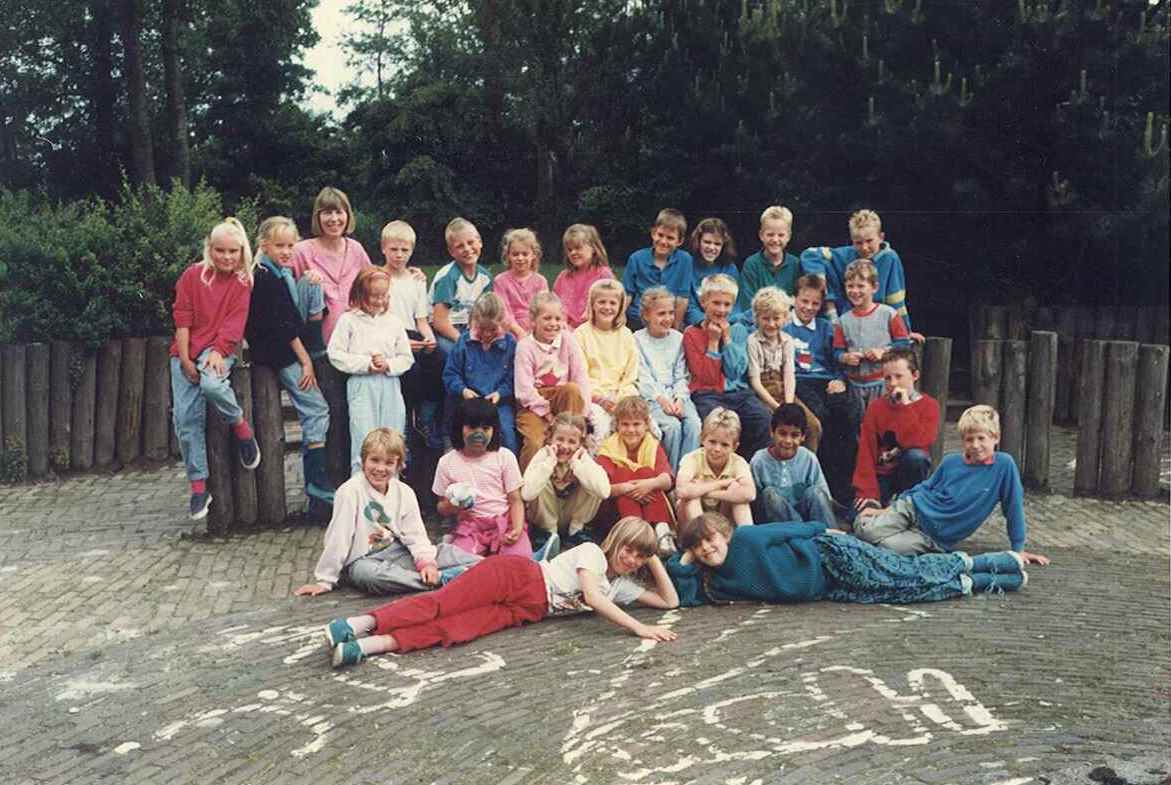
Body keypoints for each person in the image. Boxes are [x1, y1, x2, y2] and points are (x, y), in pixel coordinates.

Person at [323, 517, 679, 667]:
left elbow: (669, 601)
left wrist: (655, 558)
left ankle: (368, 646)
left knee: (456, 630)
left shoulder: (618, 586)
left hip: (526, 611)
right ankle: (361, 623)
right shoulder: (592, 555)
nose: (632, 559)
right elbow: (592, 598)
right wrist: (639, 628)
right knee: (442, 603)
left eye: (639, 555)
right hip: (518, 577)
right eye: (629, 550)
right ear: (615, 541)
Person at [667, 513, 1033, 608]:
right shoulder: (711, 579)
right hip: (827, 588)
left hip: (829, 556)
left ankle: (991, 561)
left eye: (709, 540)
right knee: (900, 592)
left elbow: (794, 529)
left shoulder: (746, 538)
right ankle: (991, 580)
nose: (707, 550)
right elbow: (679, 585)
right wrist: (685, 553)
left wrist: (828, 532)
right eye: (698, 548)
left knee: (901, 572)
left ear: (724, 533)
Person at [855, 405, 1051, 567]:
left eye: (981, 438)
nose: (975, 445)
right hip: (913, 508)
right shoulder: (951, 462)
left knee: (887, 547)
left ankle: (877, 526)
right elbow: (925, 488)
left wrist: (1018, 549)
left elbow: (1013, 507)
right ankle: (866, 513)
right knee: (866, 531)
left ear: (996, 438)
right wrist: (887, 510)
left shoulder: (1004, 466)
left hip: (931, 538)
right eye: (969, 439)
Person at [293, 428, 480, 597]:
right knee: (369, 576)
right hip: (364, 559)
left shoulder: (404, 492)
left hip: (400, 552)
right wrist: (325, 580)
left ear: (398, 466)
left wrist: (427, 563)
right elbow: (339, 538)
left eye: (389, 463)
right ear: (363, 459)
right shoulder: (349, 491)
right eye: (374, 460)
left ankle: (493, 568)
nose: (380, 469)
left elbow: (415, 535)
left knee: (449, 554)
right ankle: (440, 580)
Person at [170, 217, 260, 520]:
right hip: (187, 349)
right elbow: (182, 319)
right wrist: (184, 359)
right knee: (185, 419)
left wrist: (220, 351)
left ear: (242, 251)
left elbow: (235, 323)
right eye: (220, 250)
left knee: (212, 384)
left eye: (233, 251)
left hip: (219, 348)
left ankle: (241, 428)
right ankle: (198, 486)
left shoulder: (241, 282)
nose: (227, 257)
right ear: (210, 248)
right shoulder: (192, 276)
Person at [245, 216, 334, 519]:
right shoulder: (265, 278)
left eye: (290, 245)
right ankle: (318, 489)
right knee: (317, 410)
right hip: (280, 351)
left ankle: (316, 343)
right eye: (279, 245)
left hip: (290, 340)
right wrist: (305, 360)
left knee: (312, 280)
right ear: (264, 245)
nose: (286, 251)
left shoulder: (278, 271)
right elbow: (283, 327)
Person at [784, 274, 864, 500]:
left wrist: (839, 377)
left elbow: (837, 357)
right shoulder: (785, 325)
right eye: (804, 301)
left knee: (847, 416)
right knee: (820, 417)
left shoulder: (825, 328)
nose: (809, 308)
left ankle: (845, 489)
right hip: (798, 380)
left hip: (826, 380)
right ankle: (822, 485)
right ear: (794, 299)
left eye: (815, 304)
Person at [327, 267, 414, 474]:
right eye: (373, 296)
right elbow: (336, 354)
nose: (379, 301)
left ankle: (392, 492)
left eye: (383, 296)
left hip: (390, 385)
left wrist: (388, 365)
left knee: (393, 438)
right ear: (360, 294)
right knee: (363, 439)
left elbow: (406, 357)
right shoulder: (348, 320)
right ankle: (361, 496)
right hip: (361, 385)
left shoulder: (393, 322)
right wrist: (366, 364)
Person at [682, 273, 772, 459]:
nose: (721, 309)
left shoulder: (738, 330)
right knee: (716, 423)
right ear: (703, 302)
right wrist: (713, 343)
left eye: (727, 304)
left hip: (738, 393)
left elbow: (734, 371)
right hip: (707, 394)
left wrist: (727, 339)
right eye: (716, 303)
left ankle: (749, 470)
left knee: (762, 417)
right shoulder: (692, 334)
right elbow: (707, 378)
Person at [799, 208, 923, 341]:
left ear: (881, 237)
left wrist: (905, 330)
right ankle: (832, 321)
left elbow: (896, 299)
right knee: (826, 266)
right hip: (847, 317)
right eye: (858, 243)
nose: (864, 247)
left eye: (869, 241)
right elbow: (810, 254)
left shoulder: (890, 258)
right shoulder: (847, 254)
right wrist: (820, 280)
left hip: (876, 321)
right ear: (852, 241)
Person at [378, 220, 444, 450]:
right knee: (410, 372)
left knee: (440, 358)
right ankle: (405, 430)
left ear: (412, 251)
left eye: (404, 250)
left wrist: (429, 339)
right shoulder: (378, 279)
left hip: (413, 332)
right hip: (389, 338)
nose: (399, 255)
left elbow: (422, 320)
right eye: (393, 249)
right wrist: (402, 343)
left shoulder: (416, 280)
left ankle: (427, 418)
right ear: (383, 248)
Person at [435, 398, 531, 557]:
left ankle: (532, 554)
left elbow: (515, 499)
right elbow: (441, 507)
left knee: (518, 560)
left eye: (486, 428)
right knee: (459, 562)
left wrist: (517, 529)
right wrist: (454, 506)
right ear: (459, 428)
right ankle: (454, 543)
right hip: (471, 527)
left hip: (503, 523)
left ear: (494, 430)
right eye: (472, 427)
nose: (478, 434)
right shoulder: (447, 462)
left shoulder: (504, 457)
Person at [853, 347, 940, 513]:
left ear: (914, 376)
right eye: (887, 378)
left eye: (899, 377)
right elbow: (866, 449)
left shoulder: (930, 406)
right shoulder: (876, 407)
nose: (892, 384)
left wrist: (905, 406)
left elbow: (917, 442)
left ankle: (909, 504)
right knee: (861, 514)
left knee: (917, 457)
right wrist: (867, 492)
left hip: (908, 472)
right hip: (882, 473)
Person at [514, 291, 591, 470]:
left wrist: (584, 416)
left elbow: (581, 377)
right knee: (535, 441)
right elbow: (524, 390)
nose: (553, 324)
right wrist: (547, 414)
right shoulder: (525, 347)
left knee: (572, 389)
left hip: (563, 398)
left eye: (558, 319)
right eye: (547, 318)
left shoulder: (568, 340)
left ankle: (571, 471)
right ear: (533, 320)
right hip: (533, 405)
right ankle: (527, 487)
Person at [291, 186, 373, 344]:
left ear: (348, 216)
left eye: (339, 212)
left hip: (355, 341)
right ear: (318, 217)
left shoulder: (356, 249)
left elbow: (375, 281)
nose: (334, 219)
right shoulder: (302, 251)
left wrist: (406, 272)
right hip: (316, 344)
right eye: (327, 212)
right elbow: (274, 274)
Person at [595, 396, 676, 556]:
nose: (631, 430)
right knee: (623, 472)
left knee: (647, 474)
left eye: (636, 424)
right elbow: (603, 488)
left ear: (646, 425)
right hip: (615, 509)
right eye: (625, 424)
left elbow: (667, 480)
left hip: (648, 508)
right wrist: (626, 488)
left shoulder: (652, 445)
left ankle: (661, 532)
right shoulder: (608, 448)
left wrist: (648, 485)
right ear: (617, 425)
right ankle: (635, 537)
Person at [746, 286, 823, 452]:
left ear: (785, 318)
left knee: (813, 426)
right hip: (763, 393)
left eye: (776, 319)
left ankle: (805, 468)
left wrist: (788, 404)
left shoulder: (787, 340)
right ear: (757, 318)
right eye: (766, 319)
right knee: (772, 427)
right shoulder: (753, 341)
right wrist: (777, 407)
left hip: (785, 390)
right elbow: (755, 381)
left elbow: (789, 375)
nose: (771, 324)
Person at [442, 292, 518, 454]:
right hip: (469, 398)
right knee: (460, 431)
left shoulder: (510, 344)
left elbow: (513, 377)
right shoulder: (464, 342)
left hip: (497, 401)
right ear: (473, 321)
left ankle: (507, 470)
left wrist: (500, 393)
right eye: (482, 329)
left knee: (506, 433)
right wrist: (463, 390)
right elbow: (450, 374)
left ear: (502, 323)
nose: (487, 334)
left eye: (493, 329)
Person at [633, 287, 700, 472]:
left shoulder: (678, 338)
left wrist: (679, 399)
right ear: (647, 315)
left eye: (671, 313)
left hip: (676, 395)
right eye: (661, 313)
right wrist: (661, 399)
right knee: (671, 427)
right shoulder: (637, 340)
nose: (668, 318)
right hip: (652, 397)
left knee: (694, 425)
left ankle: (686, 475)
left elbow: (682, 374)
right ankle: (668, 475)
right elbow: (642, 376)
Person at [522, 413, 610, 550]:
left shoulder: (582, 459)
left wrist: (577, 466)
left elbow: (604, 492)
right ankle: (549, 534)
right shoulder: (544, 456)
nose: (564, 446)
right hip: (546, 518)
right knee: (540, 478)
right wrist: (549, 464)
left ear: (580, 444)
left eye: (572, 442)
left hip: (571, 516)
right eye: (560, 439)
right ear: (550, 438)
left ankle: (575, 533)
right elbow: (527, 494)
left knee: (592, 479)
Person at [832, 259, 911, 410]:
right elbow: (837, 351)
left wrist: (884, 352)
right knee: (859, 427)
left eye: (861, 286)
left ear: (874, 287)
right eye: (850, 286)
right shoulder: (842, 321)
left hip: (884, 383)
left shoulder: (889, 314)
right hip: (854, 386)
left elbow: (904, 345)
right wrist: (845, 357)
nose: (855, 291)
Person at [575, 278, 639, 444]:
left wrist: (621, 398)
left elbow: (631, 375)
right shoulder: (581, 334)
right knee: (601, 427)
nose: (607, 307)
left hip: (622, 396)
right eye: (601, 302)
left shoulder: (626, 335)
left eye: (613, 303)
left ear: (620, 307)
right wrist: (601, 399)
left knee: (647, 428)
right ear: (592, 304)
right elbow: (580, 375)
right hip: (594, 398)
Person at [750, 404, 836, 526]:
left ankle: (833, 539)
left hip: (808, 519)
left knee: (816, 492)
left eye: (794, 435)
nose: (788, 441)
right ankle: (801, 533)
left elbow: (824, 498)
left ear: (803, 437)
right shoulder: (759, 461)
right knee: (770, 495)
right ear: (772, 432)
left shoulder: (808, 458)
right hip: (777, 525)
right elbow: (755, 504)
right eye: (782, 433)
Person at [675, 408, 755, 527]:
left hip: (723, 516)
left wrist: (706, 492)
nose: (717, 449)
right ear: (702, 439)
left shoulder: (738, 462)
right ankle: (703, 538)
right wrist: (721, 484)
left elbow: (750, 494)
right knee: (690, 497)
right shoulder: (692, 458)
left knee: (738, 491)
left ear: (734, 447)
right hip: (692, 522)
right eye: (712, 442)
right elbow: (682, 491)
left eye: (724, 445)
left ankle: (749, 537)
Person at [429, 217, 493, 354]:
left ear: (480, 242)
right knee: (454, 352)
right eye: (460, 246)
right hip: (447, 329)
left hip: (471, 327)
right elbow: (439, 322)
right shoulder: (449, 277)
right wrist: (463, 340)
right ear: (451, 252)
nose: (467, 249)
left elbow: (485, 313)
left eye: (471, 242)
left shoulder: (485, 278)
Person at [622, 208, 693, 330]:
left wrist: (674, 328)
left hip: (668, 319)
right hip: (639, 319)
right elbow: (627, 293)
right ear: (653, 233)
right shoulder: (636, 258)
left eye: (670, 238)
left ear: (679, 241)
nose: (663, 241)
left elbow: (683, 298)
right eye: (660, 235)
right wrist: (620, 316)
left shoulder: (685, 260)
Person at [734, 205, 802, 323]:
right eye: (770, 234)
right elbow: (748, 305)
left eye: (781, 235)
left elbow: (799, 302)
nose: (775, 239)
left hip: (788, 323)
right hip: (757, 324)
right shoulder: (752, 265)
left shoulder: (796, 264)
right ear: (761, 235)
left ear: (789, 236)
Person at [553, 223, 614, 329]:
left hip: (593, 329)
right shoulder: (563, 277)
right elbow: (554, 305)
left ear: (593, 248)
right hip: (564, 329)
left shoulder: (604, 275)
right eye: (569, 249)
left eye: (578, 248)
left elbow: (612, 306)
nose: (573, 252)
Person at [684, 217, 741, 326]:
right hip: (698, 324)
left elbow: (736, 306)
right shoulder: (687, 265)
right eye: (707, 242)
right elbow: (688, 305)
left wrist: (724, 323)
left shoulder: (730, 268)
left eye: (717, 244)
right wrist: (704, 322)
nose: (711, 247)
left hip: (726, 323)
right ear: (698, 241)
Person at [493, 228, 549, 338]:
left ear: (533, 255)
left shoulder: (540, 281)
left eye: (525, 254)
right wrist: (519, 332)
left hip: (536, 328)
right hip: (509, 329)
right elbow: (503, 312)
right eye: (515, 254)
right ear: (508, 255)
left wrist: (533, 332)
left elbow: (543, 310)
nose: (520, 258)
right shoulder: (500, 281)